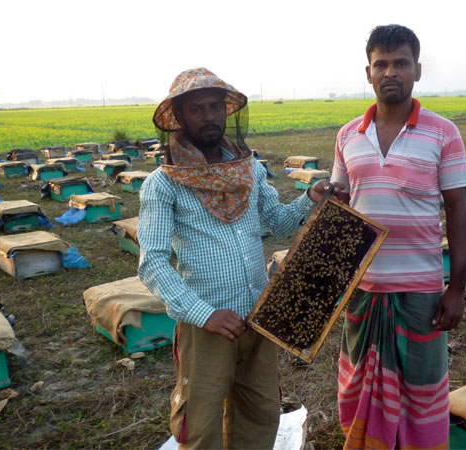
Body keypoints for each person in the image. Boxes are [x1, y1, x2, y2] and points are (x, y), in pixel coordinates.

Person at [137, 68, 331, 449]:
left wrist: (310, 199)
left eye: (215, 107)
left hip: (259, 318)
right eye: (197, 109)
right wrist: (204, 314)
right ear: (179, 117)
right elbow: (153, 262)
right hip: (206, 324)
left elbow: (276, 222)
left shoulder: (250, 170)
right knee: (200, 422)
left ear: (228, 112)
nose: (209, 116)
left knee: (260, 413)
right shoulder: (163, 184)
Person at [331, 25, 466, 449]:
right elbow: (339, 207)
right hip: (364, 291)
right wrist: (323, 196)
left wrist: (457, 288)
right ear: (369, 72)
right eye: (382, 64)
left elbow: (457, 210)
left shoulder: (443, 133)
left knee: (422, 391)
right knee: (358, 388)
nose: (391, 72)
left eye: (401, 63)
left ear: (417, 70)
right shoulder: (346, 136)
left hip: (421, 293)